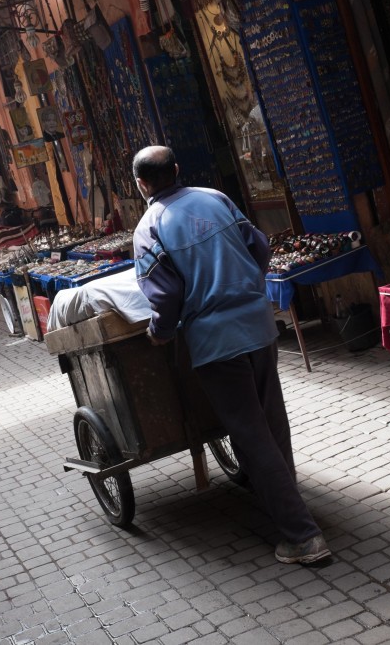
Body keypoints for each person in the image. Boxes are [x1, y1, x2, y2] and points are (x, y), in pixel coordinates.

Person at [130, 146, 329, 566]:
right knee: (272, 421)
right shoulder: (214, 198)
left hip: (216, 342)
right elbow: (258, 248)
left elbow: (165, 295)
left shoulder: (150, 227)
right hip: (258, 326)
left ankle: (302, 535)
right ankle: (291, 504)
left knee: (252, 435)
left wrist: (159, 333)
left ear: (142, 184)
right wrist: (244, 289)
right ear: (178, 170)